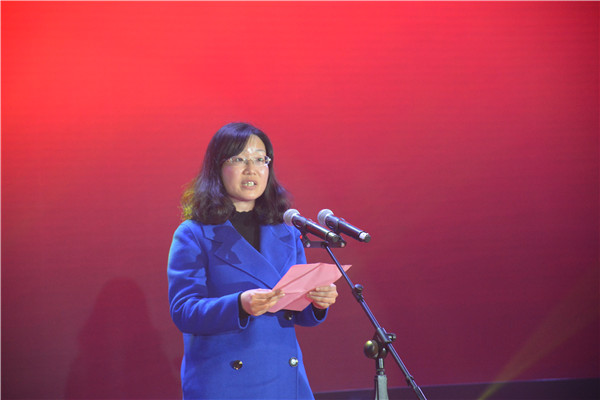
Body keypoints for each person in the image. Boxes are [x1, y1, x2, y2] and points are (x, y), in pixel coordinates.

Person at [168, 122, 338, 399]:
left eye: (260, 159)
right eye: (239, 159)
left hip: (284, 378)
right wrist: (239, 305)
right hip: (224, 382)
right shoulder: (194, 233)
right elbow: (184, 311)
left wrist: (317, 302)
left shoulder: (286, 230)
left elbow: (298, 312)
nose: (252, 169)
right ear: (217, 167)